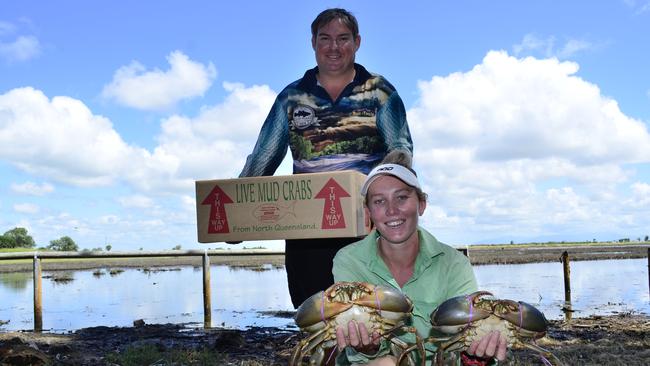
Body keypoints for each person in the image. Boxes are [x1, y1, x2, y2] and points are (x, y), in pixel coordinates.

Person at [238, 8, 413, 309]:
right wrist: (237, 210)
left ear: (357, 42)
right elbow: (264, 156)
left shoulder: (381, 93)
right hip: (306, 231)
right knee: (316, 315)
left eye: (343, 39)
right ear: (313, 43)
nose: (334, 47)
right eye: (326, 39)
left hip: (366, 227)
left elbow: (400, 150)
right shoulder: (291, 97)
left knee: (371, 315)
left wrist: (383, 203)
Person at [332, 153, 508, 365]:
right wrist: (368, 346)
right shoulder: (349, 260)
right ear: (368, 212)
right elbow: (359, 355)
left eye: (402, 197)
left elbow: (467, 336)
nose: (391, 210)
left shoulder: (453, 264)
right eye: (379, 201)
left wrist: (476, 355)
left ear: (422, 204)